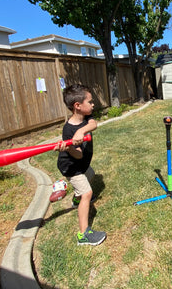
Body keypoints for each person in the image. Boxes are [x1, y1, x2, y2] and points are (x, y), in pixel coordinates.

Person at [54, 84, 106, 246]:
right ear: (77, 106)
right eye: (89, 102)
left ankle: (76, 200)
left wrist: (81, 132)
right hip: (71, 166)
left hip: (82, 165)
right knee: (87, 193)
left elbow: (94, 124)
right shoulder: (68, 129)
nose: (92, 105)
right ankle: (83, 234)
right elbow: (78, 154)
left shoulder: (86, 118)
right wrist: (69, 146)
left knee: (90, 175)